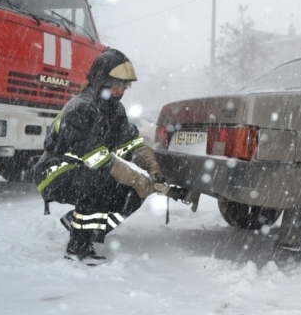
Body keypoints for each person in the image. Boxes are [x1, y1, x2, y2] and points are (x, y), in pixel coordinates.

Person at [32, 48, 187, 266]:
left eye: (125, 86)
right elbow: (96, 158)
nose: (121, 90)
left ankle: (89, 228)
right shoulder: (80, 108)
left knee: (131, 193)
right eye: (117, 84)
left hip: (84, 169)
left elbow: (131, 145)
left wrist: (153, 171)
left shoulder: (114, 111)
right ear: (101, 80)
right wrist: (138, 179)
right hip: (53, 170)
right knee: (98, 181)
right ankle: (78, 249)